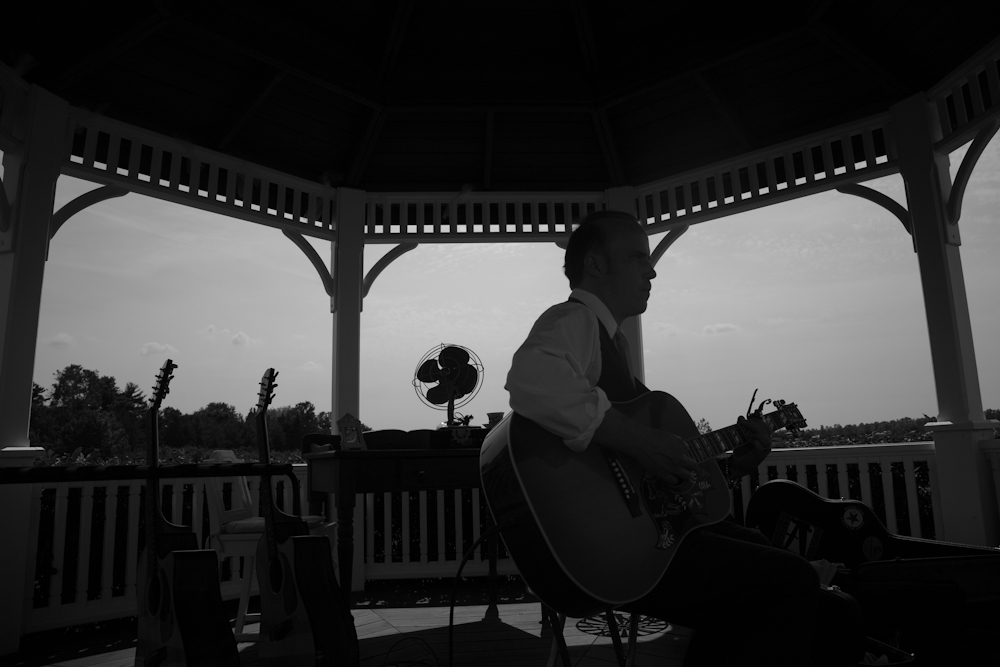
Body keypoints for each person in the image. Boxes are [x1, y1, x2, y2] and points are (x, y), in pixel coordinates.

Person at [504, 210, 831, 666]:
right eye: (638, 256)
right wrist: (641, 441)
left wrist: (735, 465)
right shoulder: (575, 320)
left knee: (782, 573)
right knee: (788, 581)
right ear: (596, 265)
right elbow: (532, 378)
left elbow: (658, 475)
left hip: (651, 540)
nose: (652, 268)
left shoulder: (612, 346)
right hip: (627, 553)